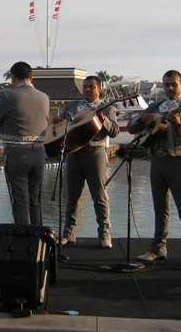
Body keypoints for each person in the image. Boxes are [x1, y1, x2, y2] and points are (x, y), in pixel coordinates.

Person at [128, 70, 181, 267]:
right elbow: (130, 127)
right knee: (160, 209)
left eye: (173, 85)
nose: (170, 88)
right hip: (157, 161)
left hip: (179, 161)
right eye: (166, 85)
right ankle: (158, 248)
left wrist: (179, 126)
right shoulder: (156, 106)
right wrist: (140, 121)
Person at [54, 75, 119, 249]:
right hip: (74, 154)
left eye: (91, 87)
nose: (88, 90)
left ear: (99, 89)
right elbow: (61, 127)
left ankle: (104, 234)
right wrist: (58, 123)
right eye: (85, 87)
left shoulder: (107, 108)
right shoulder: (72, 106)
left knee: (99, 196)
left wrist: (102, 118)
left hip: (96, 152)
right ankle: (68, 233)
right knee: (72, 196)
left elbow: (114, 131)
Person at [0, 61, 50, 225]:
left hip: (16, 154)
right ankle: (37, 240)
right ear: (31, 78)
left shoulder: (7, 95)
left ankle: (23, 240)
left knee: (19, 200)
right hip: (39, 153)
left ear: (13, 77)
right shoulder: (45, 97)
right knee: (35, 200)